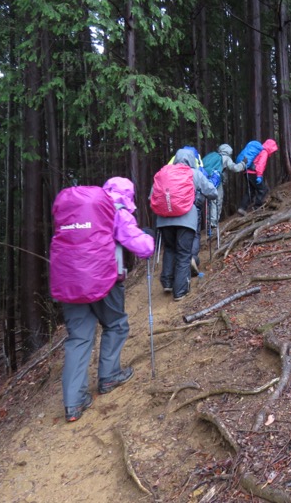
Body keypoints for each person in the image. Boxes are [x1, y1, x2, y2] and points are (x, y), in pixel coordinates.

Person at [60, 177, 155, 423]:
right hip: (103, 280)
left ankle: (73, 402)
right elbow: (142, 247)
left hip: (68, 280)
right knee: (116, 324)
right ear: (128, 195)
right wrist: (149, 237)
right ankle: (109, 376)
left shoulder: (78, 211)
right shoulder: (116, 210)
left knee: (79, 338)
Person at [156, 148, 217, 301]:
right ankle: (180, 291)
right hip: (186, 219)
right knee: (184, 254)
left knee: (169, 249)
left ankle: (167, 283)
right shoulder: (194, 173)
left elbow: (153, 195)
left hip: (164, 219)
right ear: (191, 160)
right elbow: (212, 192)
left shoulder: (163, 173)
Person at [205, 144, 246, 231]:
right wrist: (243, 163)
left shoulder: (213, 156)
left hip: (206, 179)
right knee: (217, 200)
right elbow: (234, 168)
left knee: (210, 201)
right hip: (216, 181)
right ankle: (213, 223)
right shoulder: (226, 158)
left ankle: (209, 222)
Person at [237, 139, 278, 215]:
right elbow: (260, 165)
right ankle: (257, 208)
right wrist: (259, 176)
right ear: (271, 147)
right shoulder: (264, 152)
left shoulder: (259, 151)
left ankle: (242, 208)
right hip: (253, 173)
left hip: (246, 171)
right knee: (263, 189)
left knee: (251, 191)